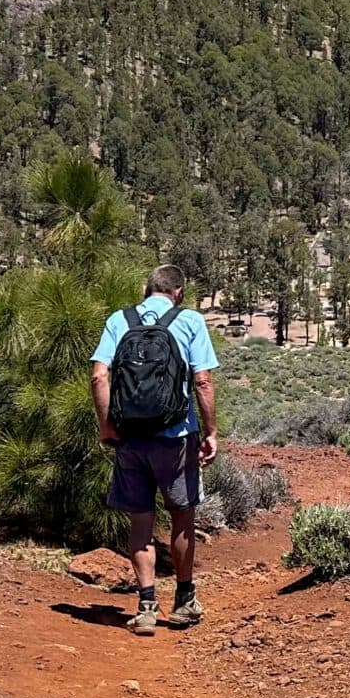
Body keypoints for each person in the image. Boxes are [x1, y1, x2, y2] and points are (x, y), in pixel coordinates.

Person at [90, 262, 220, 635]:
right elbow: (203, 381)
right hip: (176, 436)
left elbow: (100, 374)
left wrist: (107, 426)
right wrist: (210, 431)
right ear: (178, 291)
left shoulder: (120, 320)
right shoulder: (189, 320)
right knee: (181, 514)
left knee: (141, 521)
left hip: (131, 438)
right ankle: (183, 600)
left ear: (148, 289)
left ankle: (146, 606)